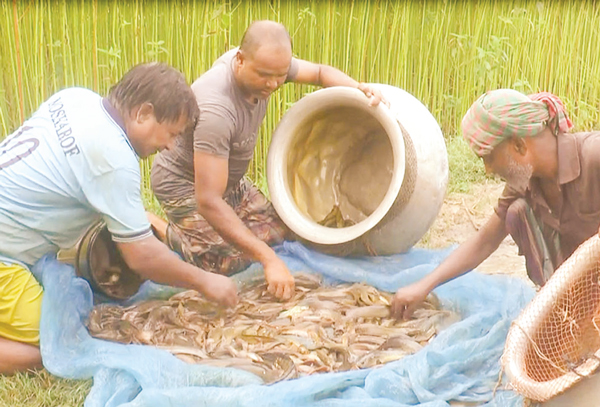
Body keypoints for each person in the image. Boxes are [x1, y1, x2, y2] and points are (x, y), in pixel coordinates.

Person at [0, 63, 239, 375]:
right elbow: (141, 257)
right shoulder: (113, 158)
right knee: (59, 340)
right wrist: (205, 281)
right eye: (171, 134)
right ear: (143, 114)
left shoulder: (76, 98)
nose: (168, 146)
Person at [151, 20, 387, 301]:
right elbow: (208, 201)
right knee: (227, 263)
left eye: (280, 75)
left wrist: (360, 88)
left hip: (229, 179)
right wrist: (269, 261)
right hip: (185, 185)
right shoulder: (215, 109)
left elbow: (321, 73)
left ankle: (220, 234)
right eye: (264, 76)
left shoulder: (269, 66)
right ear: (239, 60)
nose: (273, 84)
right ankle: (163, 229)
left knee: (283, 231)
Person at [391, 88, 600, 320]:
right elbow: (484, 241)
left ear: (520, 146)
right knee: (516, 213)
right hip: (582, 281)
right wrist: (424, 286)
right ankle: (567, 307)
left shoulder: (594, 156)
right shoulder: (525, 182)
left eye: (488, 158)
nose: (488, 170)